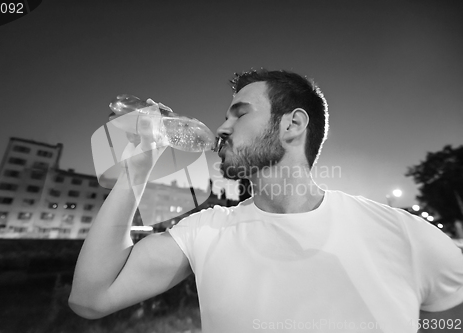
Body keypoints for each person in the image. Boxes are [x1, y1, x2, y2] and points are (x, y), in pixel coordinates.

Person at [69, 69, 463, 332]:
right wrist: (137, 169)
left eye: (239, 114)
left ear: (292, 125)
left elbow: (451, 315)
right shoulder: (203, 233)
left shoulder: (399, 232)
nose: (221, 128)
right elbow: (91, 298)